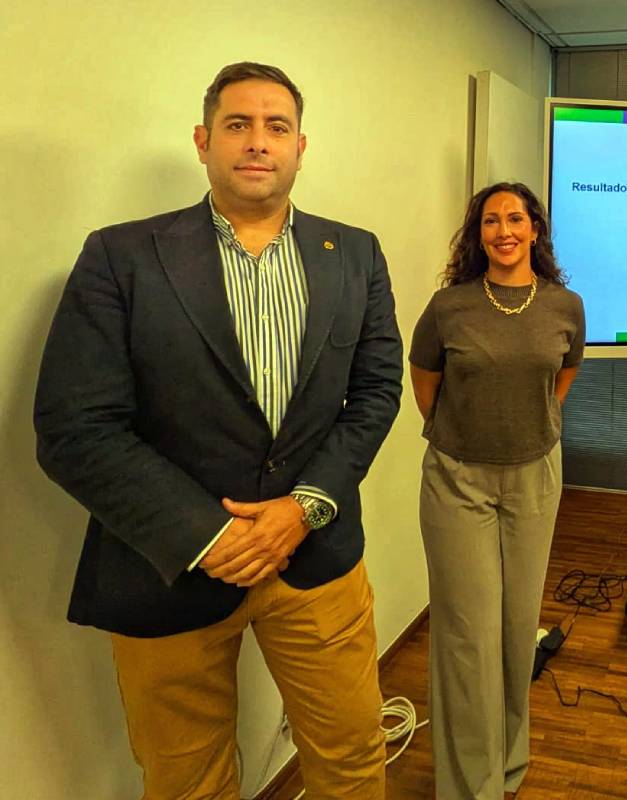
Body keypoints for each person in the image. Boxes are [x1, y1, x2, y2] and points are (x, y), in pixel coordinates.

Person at [33, 62, 403, 799]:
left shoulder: (354, 253)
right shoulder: (121, 256)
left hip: (316, 559)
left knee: (353, 759)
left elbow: (375, 393)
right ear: (204, 142)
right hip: (168, 569)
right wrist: (210, 534)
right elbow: (76, 428)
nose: (257, 142)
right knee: (186, 782)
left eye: (276, 127)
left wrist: (305, 507)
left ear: (303, 146)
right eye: (238, 125)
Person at [409, 182, 585, 799]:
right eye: (490, 221)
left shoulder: (565, 305)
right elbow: (425, 383)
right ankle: (468, 787)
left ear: (535, 229)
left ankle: (509, 763)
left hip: (535, 475)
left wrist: (535, 426)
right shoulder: (449, 306)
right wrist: (457, 433)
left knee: (516, 629)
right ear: (477, 233)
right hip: (460, 480)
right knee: (467, 635)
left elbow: (561, 378)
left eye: (515, 218)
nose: (503, 230)